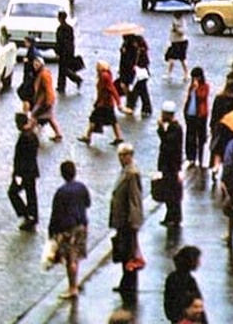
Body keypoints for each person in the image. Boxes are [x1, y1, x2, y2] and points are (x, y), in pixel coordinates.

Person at [48, 160, 91, 300]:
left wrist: (52, 232)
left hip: (68, 228)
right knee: (76, 257)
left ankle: (72, 288)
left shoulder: (61, 193)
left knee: (70, 259)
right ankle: (75, 283)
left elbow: (55, 214)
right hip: (82, 225)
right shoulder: (81, 187)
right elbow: (88, 203)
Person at [109, 142, 144, 305]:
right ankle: (126, 282)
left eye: (123, 155)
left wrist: (134, 221)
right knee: (124, 253)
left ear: (129, 155)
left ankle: (129, 284)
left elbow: (134, 199)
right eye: (119, 156)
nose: (120, 159)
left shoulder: (132, 173)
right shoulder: (125, 171)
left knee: (129, 254)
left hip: (128, 221)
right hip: (122, 220)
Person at [77, 60, 124, 147]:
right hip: (107, 103)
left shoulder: (104, 76)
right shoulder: (105, 75)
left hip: (104, 104)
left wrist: (118, 103)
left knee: (93, 119)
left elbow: (111, 89)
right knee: (112, 121)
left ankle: (87, 136)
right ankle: (118, 137)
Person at [8, 112, 40, 231]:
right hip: (32, 169)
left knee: (13, 192)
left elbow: (20, 157)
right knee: (31, 194)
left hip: (23, 172)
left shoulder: (24, 137)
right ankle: (33, 217)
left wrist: (17, 174)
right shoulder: (32, 134)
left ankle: (26, 214)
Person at [164, 245, 208, 324]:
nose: (199, 263)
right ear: (190, 260)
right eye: (197, 260)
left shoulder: (174, 278)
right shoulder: (187, 280)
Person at [157, 100, 184, 227]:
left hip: (171, 166)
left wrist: (161, 130)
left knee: (172, 193)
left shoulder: (176, 128)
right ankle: (170, 216)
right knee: (169, 192)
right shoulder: (173, 127)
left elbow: (168, 144)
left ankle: (174, 217)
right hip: (168, 165)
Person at [208, 78, 233, 185]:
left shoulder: (219, 98)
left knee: (218, 150)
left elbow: (214, 113)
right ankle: (226, 171)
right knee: (229, 151)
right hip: (232, 130)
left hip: (220, 128)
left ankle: (215, 168)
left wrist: (212, 126)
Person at [29, 56, 63, 141]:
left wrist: (49, 101)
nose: (35, 66)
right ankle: (58, 134)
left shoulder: (44, 74)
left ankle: (29, 133)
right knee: (49, 117)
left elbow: (48, 89)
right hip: (44, 100)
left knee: (34, 115)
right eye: (34, 64)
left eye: (37, 64)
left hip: (44, 101)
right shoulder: (40, 73)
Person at [183, 67, 210, 168]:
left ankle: (201, 158)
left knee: (201, 137)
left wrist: (197, 88)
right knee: (190, 137)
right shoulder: (191, 86)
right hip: (190, 114)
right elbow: (189, 98)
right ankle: (191, 158)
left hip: (200, 115)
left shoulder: (205, 86)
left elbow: (202, 97)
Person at [125, 34, 152, 117]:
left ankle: (132, 106)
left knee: (136, 91)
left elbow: (143, 62)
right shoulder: (139, 50)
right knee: (143, 91)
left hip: (139, 74)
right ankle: (146, 108)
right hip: (142, 74)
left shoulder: (139, 51)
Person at [55, 11, 81, 94]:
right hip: (67, 51)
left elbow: (60, 42)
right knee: (62, 69)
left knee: (64, 69)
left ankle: (76, 79)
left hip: (64, 52)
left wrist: (58, 51)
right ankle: (61, 86)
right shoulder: (69, 28)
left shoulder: (61, 29)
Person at [17, 35, 40, 111]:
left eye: (26, 42)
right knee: (24, 93)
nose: (24, 44)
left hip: (30, 78)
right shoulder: (31, 50)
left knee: (24, 94)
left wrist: (27, 61)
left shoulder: (33, 52)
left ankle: (28, 110)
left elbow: (35, 64)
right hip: (29, 77)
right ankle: (29, 109)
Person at [166, 13, 189, 81]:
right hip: (174, 42)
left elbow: (182, 32)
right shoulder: (174, 20)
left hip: (181, 42)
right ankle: (169, 74)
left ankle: (186, 74)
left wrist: (176, 28)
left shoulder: (183, 22)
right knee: (171, 58)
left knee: (182, 59)